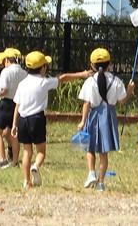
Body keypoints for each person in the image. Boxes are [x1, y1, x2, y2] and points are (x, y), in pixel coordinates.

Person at [11, 51, 91, 189]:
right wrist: (82, 75)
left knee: (26, 151)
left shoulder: (22, 84)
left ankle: (26, 181)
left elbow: (17, 105)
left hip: (22, 120)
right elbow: (63, 77)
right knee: (41, 151)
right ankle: (35, 166)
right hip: (37, 118)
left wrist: (14, 124)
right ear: (42, 68)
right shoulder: (44, 82)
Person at [77, 48, 135, 191]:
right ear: (109, 64)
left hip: (94, 115)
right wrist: (129, 91)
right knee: (104, 151)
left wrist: (83, 121)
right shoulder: (116, 81)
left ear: (92, 66)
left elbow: (86, 104)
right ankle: (101, 183)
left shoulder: (90, 81)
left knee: (90, 147)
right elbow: (122, 101)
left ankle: (91, 173)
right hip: (108, 116)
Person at [0, 48, 26, 168]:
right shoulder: (23, 73)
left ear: (6, 60)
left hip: (5, 103)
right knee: (14, 133)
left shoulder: (6, 72)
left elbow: (4, 90)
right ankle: (15, 161)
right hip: (17, 105)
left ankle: (2, 160)